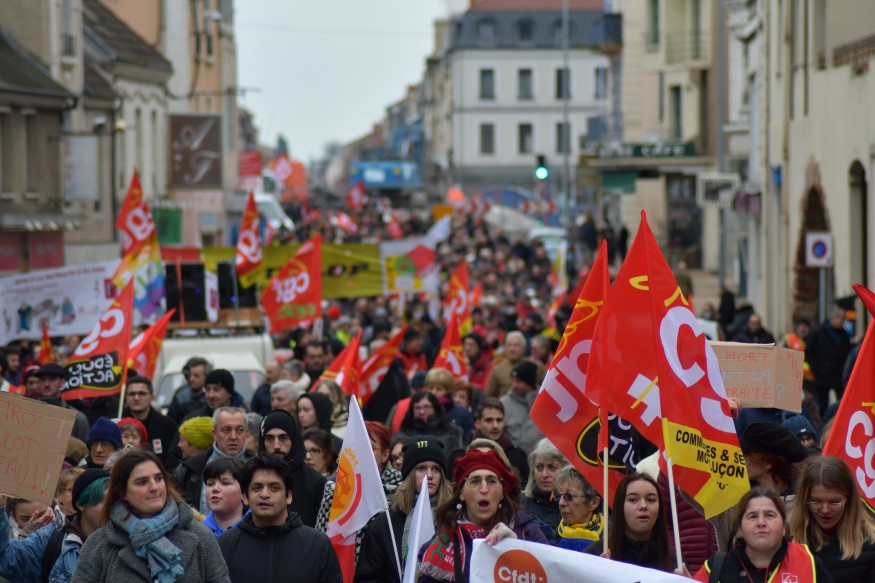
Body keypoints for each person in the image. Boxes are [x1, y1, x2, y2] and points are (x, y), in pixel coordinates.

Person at [70, 450, 229, 583]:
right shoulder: (100, 543)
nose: (154, 487)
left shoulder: (201, 536)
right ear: (123, 492)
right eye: (142, 482)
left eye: (158, 478)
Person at [418, 448, 547, 582]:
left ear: (502, 494)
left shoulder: (528, 532)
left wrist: (515, 548)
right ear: (461, 494)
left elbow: (549, 576)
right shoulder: (444, 538)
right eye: (475, 481)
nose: (484, 489)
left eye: (492, 481)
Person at [217, 454, 342, 583]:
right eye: (257, 488)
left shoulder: (316, 545)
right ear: (245, 496)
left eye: (274, 488)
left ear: (288, 496)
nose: (265, 494)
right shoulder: (225, 545)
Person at [355, 437, 454, 583]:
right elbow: (367, 577)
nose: (429, 475)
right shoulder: (385, 524)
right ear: (409, 475)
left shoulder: (454, 520)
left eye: (436, 469)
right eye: (421, 468)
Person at [694, 488, 833, 582]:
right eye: (752, 516)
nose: (761, 523)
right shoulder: (716, 568)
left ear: (784, 527)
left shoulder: (808, 562)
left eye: (770, 515)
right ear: (740, 528)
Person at [0, 468, 109, 583]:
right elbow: (7, 560)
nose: (111, 507)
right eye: (103, 500)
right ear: (81, 503)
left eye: (116, 501)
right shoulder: (50, 538)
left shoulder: (120, 544)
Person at [789, 456, 875, 579]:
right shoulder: (786, 544)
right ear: (804, 500)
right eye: (816, 501)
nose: (825, 510)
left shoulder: (870, 543)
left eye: (835, 502)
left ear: (849, 500)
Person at [585, 472, 676, 573]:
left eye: (651, 499)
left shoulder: (675, 564)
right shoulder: (594, 557)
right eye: (633, 499)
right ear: (620, 507)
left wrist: (686, 580)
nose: (643, 506)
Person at [172, 407, 254, 513]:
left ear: (246, 433)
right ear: (214, 434)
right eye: (226, 430)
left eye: (239, 430)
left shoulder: (259, 467)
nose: (233, 436)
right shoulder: (189, 469)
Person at [258, 409, 327, 528]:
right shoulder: (251, 477)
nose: (276, 446)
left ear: (294, 439)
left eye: (283, 438)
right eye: (269, 438)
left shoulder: (315, 483)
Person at [120, 376, 180, 469]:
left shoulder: (167, 425)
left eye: (142, 393)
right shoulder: (117, 424)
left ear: (152, 397)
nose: (136, 398)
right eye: (132, 394)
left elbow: (173, 459)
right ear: (125, 397)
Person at [806, 307, 852, 416]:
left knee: (842, 404)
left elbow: (847, 354)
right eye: (841, 318)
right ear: (833, 318)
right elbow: (809, 352)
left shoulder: (845, 335)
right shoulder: (818, 332)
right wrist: (816, 369)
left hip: (839, 376)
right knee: (821, 405)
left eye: (844, 319)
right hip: (822, 376)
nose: (843, 321)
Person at [522, 438, 568, 544]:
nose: (544, 474)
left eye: (552, 467)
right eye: (539, 467)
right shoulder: (519, 504)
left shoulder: (576, 505)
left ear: (566, 469)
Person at [471, 397, 529, 480]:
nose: (495, 426)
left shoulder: (517, 457)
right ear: (477, 424)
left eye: (499, 420)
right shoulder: (463, 455)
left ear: (504, 423)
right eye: (489, 420)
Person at [392, 391, 464, 455]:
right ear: (412, 411)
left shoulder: (453, 431)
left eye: (426, 407)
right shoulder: (403, 434)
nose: (422, 412)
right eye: (417, 408)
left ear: (435, 408)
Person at [554, 465, 604, 552]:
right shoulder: (551, 537)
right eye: (559, 495)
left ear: (593, 503)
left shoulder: (611, 538)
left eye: (569, 496)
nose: (561, 503)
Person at [35, 363, 89, 441]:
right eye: (43, 379)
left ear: (62, 382)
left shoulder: (78, 419)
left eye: (52, 379)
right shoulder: (28, 413)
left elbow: (83, 447)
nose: (46, 384)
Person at [499, 361, 544, 455]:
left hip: (541, 457)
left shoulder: (544, 402)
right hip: (514, 458)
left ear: (529, 382)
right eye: (513, 381)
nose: (514, 385)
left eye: (519, 381)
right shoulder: (503, 403)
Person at [485, 332, 544, 398]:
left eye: (516, 345)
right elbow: (489, 396)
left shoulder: (536, 367)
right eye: (509, 345)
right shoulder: (497, 370)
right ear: (505, 349)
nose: (512, 349)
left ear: (523, 348)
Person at [424, 367, 474, 438]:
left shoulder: (463, 414)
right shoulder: (420, 411)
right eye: (431, 388)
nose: (434, 392)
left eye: (439, 389)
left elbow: (468, 439)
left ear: (447, 391)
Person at [202, 458, 246, 537]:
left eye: (225, 483)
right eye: (210, 484)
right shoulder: (198, 533)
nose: (215, 489)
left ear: (244, 493)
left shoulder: (259, 529)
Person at [167, 357, 211, 424]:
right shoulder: (181, 396)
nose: (191, 379)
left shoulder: (213, 395)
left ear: (206, 376)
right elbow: (171, 421)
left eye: (196, 376)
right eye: (190, 375)